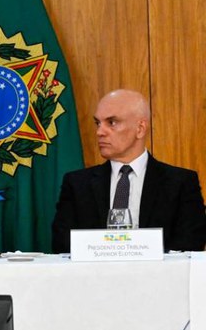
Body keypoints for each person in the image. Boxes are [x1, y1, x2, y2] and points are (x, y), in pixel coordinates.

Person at [52, 89, 206, 253]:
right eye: (98, 123)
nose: (99, 132)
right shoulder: (77, 185)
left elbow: (190, 245)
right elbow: (63, 246)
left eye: (111, 122)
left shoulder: (180, 183)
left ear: (140, 128)